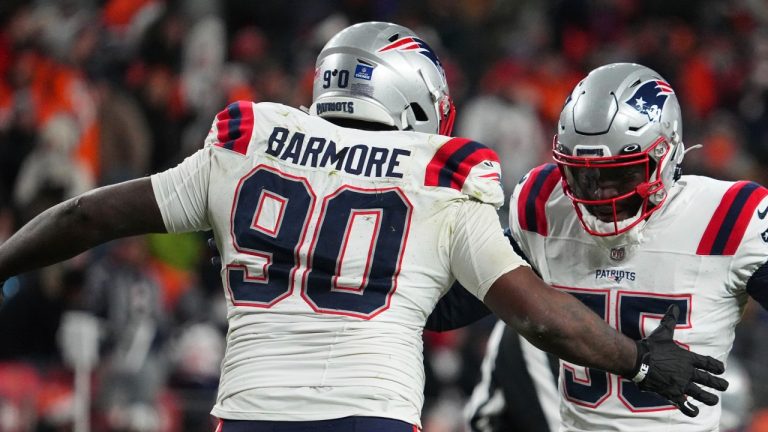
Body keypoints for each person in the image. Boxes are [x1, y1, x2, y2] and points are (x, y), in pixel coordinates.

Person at [0, 25, 727, 431]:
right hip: (369, 417)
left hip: (249, 414)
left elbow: (86, 214)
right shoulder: (441, 178)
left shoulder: (248, 144)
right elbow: (541, 317)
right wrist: (637, 360)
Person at [467, 62, 767, 431]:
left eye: (621, 173)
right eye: (585, 174)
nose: (600, 193)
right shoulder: (545, 205)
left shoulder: (728, 216)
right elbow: (453, 304)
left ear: (665, 154)